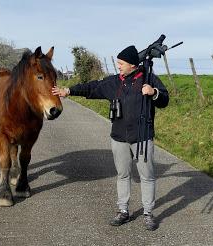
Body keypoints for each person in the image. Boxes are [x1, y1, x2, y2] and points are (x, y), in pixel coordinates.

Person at [52, 45, 169, 231]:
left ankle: (148, 213)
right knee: (123, 175)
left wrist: (153, 93)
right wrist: (69, 90)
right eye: (118, 62)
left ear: (132, 64)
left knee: (147, 176)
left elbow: (165, 99)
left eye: (121, 63)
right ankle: (123, 211)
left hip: (143, 138)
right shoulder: (114, 82)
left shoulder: (148, 78)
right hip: (119, 137)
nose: (118, 65)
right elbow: (92, 88)